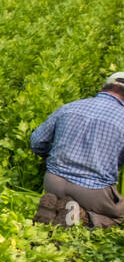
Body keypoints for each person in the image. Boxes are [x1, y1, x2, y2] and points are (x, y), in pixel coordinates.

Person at [30, 72, 124, 229]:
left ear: (103, 88)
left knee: (58, 191)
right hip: (93, 193)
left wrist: (48, 157)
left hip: (53, 182)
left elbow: (37, 141)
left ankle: (53, 208)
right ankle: (83, 216)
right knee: (119, 215)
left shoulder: (70, 107)